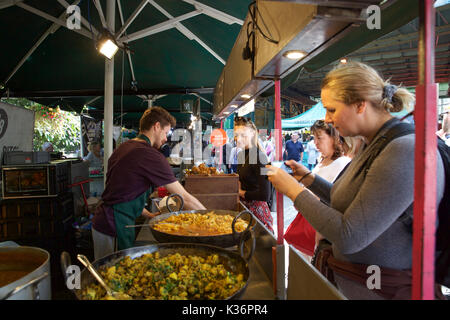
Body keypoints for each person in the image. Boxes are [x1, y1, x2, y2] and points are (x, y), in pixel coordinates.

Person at [266, 62, 445, 300]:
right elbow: (354, 202)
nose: (327, 119)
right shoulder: (373, 142)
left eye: (331, 109)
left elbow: (351, 236)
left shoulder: (403, 150)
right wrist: (309, 179)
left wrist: (294, 192)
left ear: (360, 104)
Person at [91, 107, 206, 259]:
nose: (166, 138)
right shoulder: (148, 154)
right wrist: (208, 218)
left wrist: (149, 215)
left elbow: (125, 192)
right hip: (113, 226)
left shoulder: (124, 147)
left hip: (104, 222)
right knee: (111, 275)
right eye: (166, 133)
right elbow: (184, 197)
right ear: (156, 126)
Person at [234, 117, 273, 233]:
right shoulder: (241, 155)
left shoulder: (261, 157)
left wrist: (241, 193)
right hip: (244, 212)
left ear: (252, 133)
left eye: (243, 135)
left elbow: (265, 194)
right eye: (236, 135)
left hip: (258, 216)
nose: (238, 139)